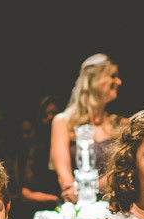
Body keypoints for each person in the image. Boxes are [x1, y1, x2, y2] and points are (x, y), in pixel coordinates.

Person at [50, 54, 122, 203]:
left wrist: (96, 186)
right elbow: (64, 173)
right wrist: (73, 193)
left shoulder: (119, 123)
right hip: (75, 203)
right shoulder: (62, 122)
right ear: (94, 80)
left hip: (113, 203)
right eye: (113, 76)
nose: (119, 82)